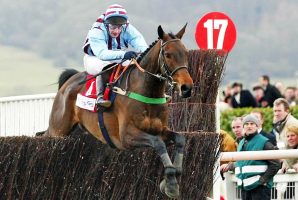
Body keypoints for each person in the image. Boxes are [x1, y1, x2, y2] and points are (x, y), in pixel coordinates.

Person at [83, 4, 148, 107]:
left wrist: (146, 55)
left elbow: (140, 43)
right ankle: (100, 98)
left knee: (134, 66)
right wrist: (124, 54)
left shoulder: (127, 28)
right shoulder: (97, 30)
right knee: (104, 66)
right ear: (106, 23)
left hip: (116, 57)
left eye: (119, 27)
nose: (116, 31)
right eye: (113, 27)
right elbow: (102, 54)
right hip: (94, 58)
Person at [220, 114, 280, 200]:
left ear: (257, 126)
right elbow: (243, 163)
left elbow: (276, 164)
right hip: (245, 187)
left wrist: (262, 180)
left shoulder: (264, 142)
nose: (249, 126)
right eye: (247, 124)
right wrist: (229, 166)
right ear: (243, 126)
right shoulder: (241, 142)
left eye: (252, 124)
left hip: (260, 189)